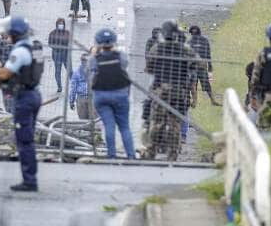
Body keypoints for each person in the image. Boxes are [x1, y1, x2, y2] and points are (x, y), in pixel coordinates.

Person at [0, 16, 44, 191]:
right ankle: (30, 177)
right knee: (28, 138)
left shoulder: (19, 51)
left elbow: (3, 75)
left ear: (15, 34)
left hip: (24, 97)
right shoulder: (33, 48)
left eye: (9, 33)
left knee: (24, 140)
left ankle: (29, 181)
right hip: (33, 94)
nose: (6, 36)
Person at [144, 21, 194, 160]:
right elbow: (196, 63)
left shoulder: (157, 48)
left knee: (156, 121)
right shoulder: (184, 49)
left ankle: (151, 151)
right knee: (175, 122)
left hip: (160, 89)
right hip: (178, 90)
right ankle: (173, 153)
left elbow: (148, 68)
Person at [89, 28, 135, 159]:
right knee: (124, 127)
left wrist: (95, 53)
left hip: (101, 96)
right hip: (120, 94)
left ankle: (112, 155)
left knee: (109, 125)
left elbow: (90, 71)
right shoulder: (120, 56)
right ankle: (131, 155)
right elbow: (125, 65)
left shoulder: (95, 59)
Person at [188, 24, 219, 106]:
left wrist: (210, 65)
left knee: (201, 84)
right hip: (195, 66)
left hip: (199, 66)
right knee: (194, 84)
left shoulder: (201, 41)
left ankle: (211, 100)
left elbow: (208, 53)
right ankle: (195, 101)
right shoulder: (191, 41)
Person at [47, 18, 71, 91]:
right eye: (59, 24)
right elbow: (50, 44)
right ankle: (59, 86)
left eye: (62, 24)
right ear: (57, 25)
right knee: (58, 71)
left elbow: (70, 42)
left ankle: (74, 84)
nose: (61, 25)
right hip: (57, 54)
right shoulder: (52, 33)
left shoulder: (67, 33)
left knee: (70, 70)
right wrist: (57, 47)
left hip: (65, 54)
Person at [68, 53, 92, 120]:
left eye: (88, 60)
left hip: (92, 98)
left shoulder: (94, 71)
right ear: (81, 61)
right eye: (84, 60)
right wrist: (71, 101)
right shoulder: (76, 73)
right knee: (83, 121)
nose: (86, 62)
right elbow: (73, 88)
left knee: (94, 122)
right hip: (81, 99)